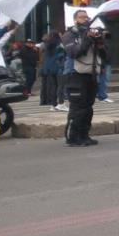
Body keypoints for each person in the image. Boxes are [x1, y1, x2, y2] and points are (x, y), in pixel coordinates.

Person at [61, 10, 106, 146]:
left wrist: (99, 42)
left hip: (91, 75)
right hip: (75, 75)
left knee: (88, 107)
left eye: (87, 17)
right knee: (77, 108)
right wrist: (87, 39)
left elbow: (105, 56)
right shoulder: (70, 35)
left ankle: (84, 135)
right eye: (82, 17)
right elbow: (75, 52)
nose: (85, 19)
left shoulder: (92, 35)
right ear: (75, 19)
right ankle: (73, 138)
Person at [39, 32, 63, 108]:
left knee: (53, 86)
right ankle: (61, 103)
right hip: (57, 67)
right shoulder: (57, 44)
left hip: (49, 68)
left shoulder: (47, 44)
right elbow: (61, 55)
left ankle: (53, 103)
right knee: (60, 86)